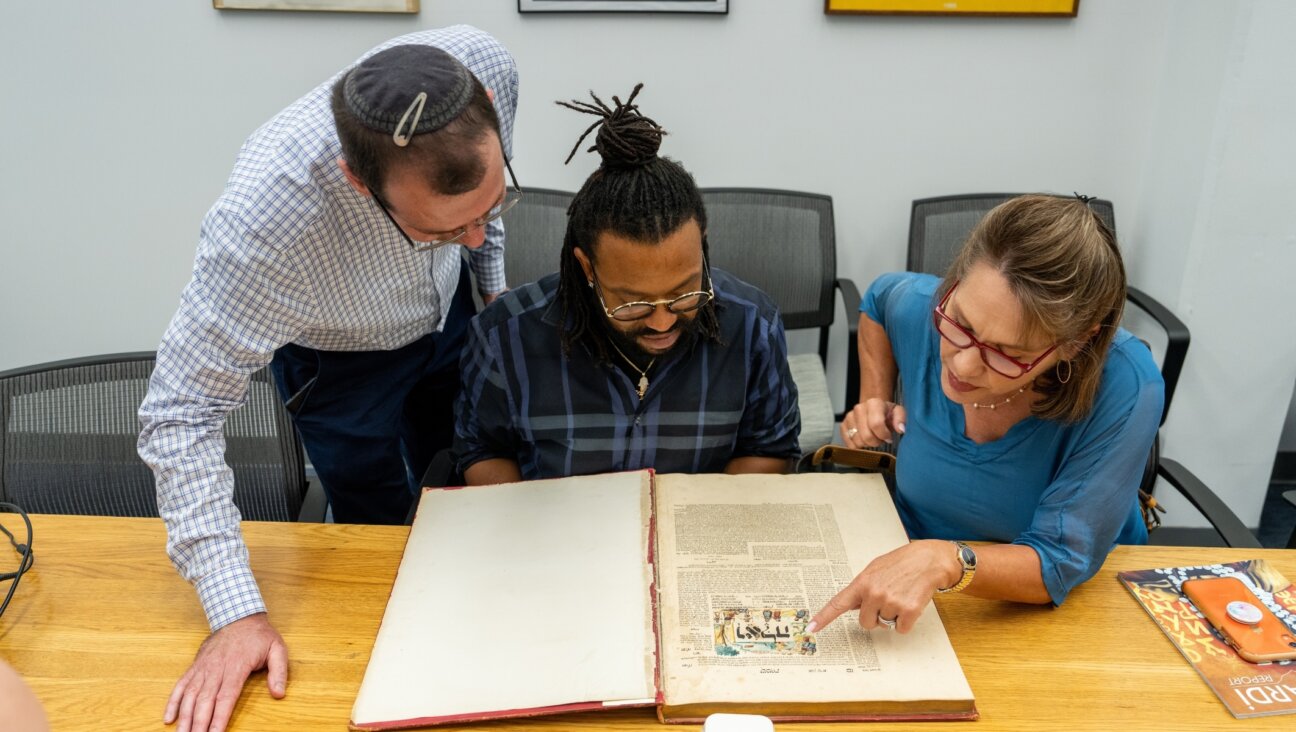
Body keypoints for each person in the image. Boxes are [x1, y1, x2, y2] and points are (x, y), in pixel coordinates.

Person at [136, 27, 518, 732]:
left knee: (467, 483)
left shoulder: (483, 63)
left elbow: (473, 231)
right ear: (355, 179)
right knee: (372, 530)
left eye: (493, 205)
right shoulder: (264, 228)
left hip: (454, 317)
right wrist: (236, 612)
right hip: (340, 363)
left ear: (490, 105)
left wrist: (488, 288)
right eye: (436, 229)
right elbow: (179, 415)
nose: (473, 234)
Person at [809, 194, 1163, 636]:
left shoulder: (1127, 382)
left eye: (1009, 354)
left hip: (1070, 606)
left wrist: (946, 559)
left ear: (1074, 344)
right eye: (961, 324)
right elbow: (879, 300)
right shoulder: (924, 308)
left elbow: (1058, 561)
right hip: (924, 587)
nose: (961, 367)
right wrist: (874, 396)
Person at [453, 85, 800, 484]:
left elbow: (771, 449)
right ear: (586, 267)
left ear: (702, 246)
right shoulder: (505, 337)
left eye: (686, 293)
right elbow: (480, 449)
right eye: (633, 304)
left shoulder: (753, 326)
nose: (662, 323)